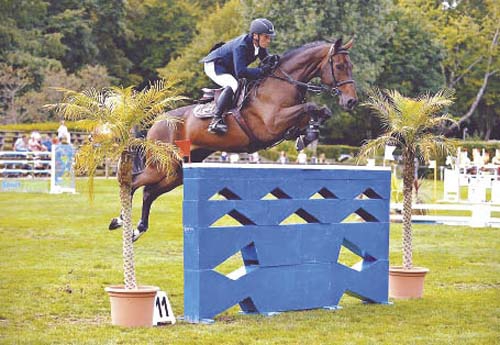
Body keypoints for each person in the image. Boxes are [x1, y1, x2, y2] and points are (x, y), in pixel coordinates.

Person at [201, 18, 277, 135]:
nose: (269, 40)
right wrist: (261, 71)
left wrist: (274, 60)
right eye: (266, 37)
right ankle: (216, 119)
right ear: (255, 35)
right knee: (233, 84)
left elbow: (265, 60)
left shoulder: (259, 45)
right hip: (215, 65)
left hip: (228, 67)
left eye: (269, 37)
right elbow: (241, 72)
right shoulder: (241, 46)